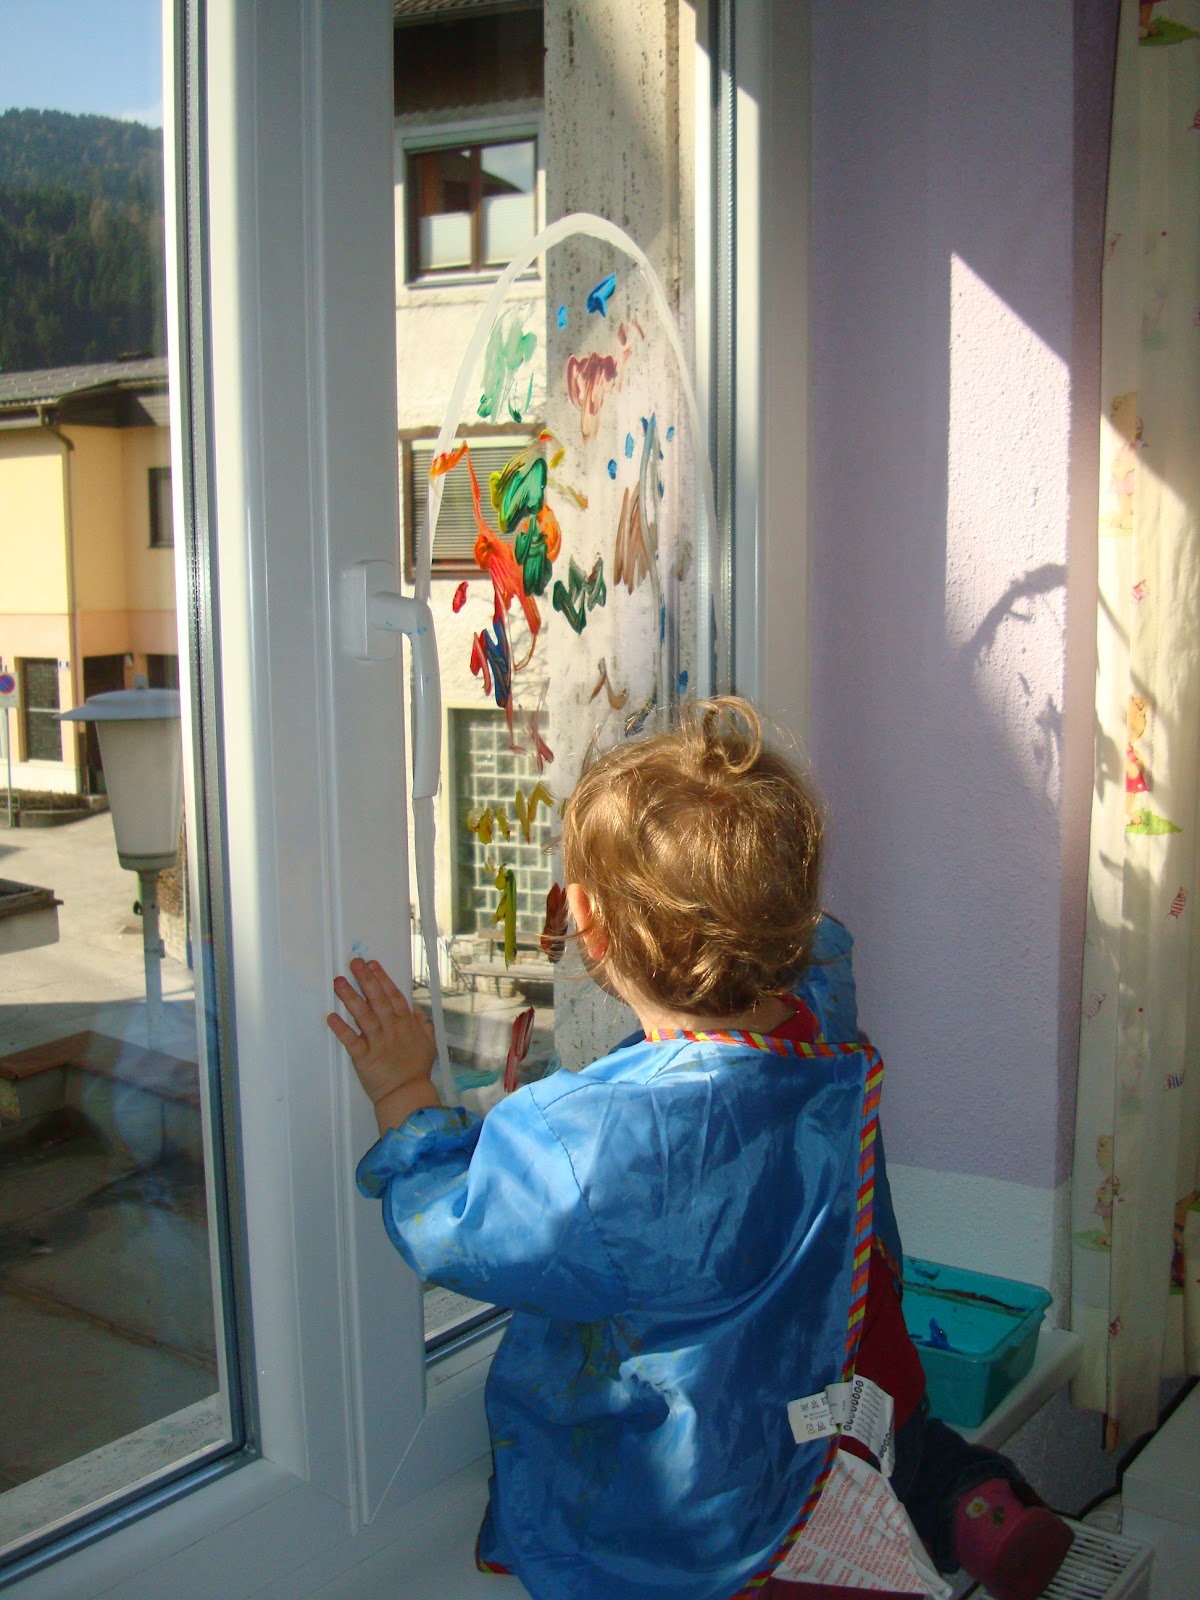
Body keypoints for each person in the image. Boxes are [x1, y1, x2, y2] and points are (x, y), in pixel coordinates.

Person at [328, 697, 1071, 1600]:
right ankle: (975, 1503)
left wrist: (405, 1092)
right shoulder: (821, 1036)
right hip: (831, 1387)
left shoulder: (593, 1141)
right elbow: (817, 949)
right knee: (907, 1448)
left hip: (701, 1495)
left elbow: (458, 1223)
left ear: (589, 931)